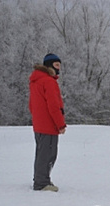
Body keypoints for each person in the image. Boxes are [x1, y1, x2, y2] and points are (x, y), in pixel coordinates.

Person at [29, 53, 66, 192]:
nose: (59, 69)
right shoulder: (49, 81)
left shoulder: (35, 81)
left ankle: (39, 178)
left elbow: (31, 105)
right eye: (56, 65)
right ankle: (42, 182)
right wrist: (60, 124)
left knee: (41, 153)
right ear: (49, 66)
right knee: (49, 154)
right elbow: (54, 105)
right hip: (48, 125)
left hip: (39, 124)